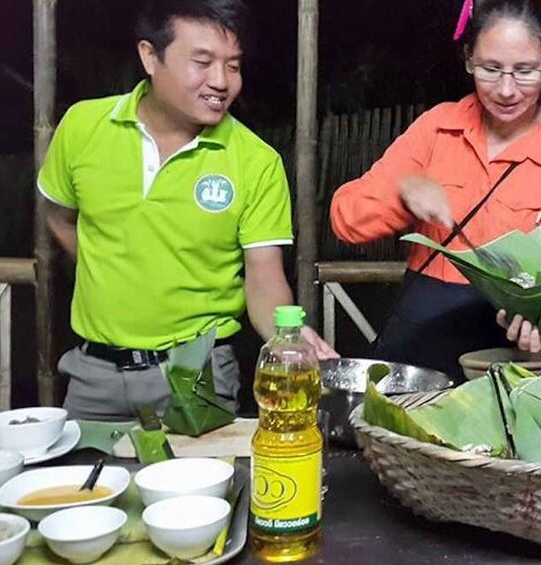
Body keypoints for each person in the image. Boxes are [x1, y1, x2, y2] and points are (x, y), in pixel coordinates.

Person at [38, 0, 337, 422]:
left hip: (199, 376)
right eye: (203, 62)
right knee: (82, 487)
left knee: (205, 488)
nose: (221, 81)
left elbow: (264, 276)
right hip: (93, 376)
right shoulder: (82, 127)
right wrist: (113, 270)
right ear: (150, 56)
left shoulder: (256, 160)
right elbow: (57, 215)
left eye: (233, 66)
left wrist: (286, 337)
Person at [329, 0, 541, 381]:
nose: (506, 89)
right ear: (469, 59)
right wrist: (404, 190)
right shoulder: (435, 131)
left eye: (524, 71)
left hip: (499, 359)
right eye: (490, 69)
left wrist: (532, 313)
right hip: (413, 355)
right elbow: (345, 220)